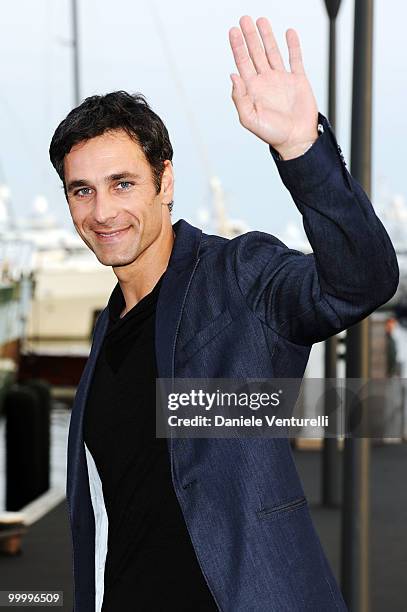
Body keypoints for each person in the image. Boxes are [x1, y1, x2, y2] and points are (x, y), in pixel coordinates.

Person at [49, 15, 399, 612]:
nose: (103, 210)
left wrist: (301, 150)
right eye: (82, 190)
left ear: (165, 181)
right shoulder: (109, 328)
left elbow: (360, 282)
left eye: (123, 183)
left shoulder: (237, 276)